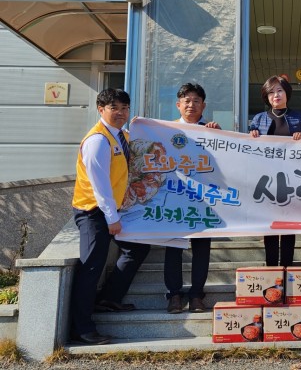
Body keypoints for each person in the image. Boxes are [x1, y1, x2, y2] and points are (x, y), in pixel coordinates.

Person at [70, 89, 151, 345]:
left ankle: (109, 298)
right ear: (101, 109)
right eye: (114, 108)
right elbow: (100, 185)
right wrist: (111, 218)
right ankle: (81, 329)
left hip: (113, 209)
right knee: (91, 267)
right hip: (93, 211)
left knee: (137, 248)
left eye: (124, 108)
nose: (120, 113)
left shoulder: (121, 136)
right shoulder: (98, 141)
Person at [165, 83, 221, 314]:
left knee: (202, 249)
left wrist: (219, 135)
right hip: (175, 198)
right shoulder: (165, 130)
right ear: (178, 105)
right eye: (187, 101)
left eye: (196, 101)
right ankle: (174, 295)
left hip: (203, 200)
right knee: (173, 248)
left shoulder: (212, 131)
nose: (191, 105)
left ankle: (197, 294)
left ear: (203, 106)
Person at [250, 75, 301, 266]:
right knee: (270, 226)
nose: (275, 95)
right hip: (267, 181)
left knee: (288, 226)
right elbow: (249, 152)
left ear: (287, 93)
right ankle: (271, 269)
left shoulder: (299, 117)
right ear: (266, 96)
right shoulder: (258, 119)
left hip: (291, 181)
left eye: (279, 90)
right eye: (271, 92)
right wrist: (251, 136)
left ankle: (287, 268)